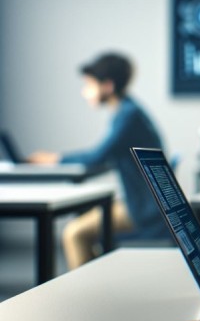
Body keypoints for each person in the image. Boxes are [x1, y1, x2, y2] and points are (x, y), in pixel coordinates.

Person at [28, 52, 171, 269]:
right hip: (145, 201)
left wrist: (54, 158)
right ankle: (97, 281)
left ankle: (88, 294)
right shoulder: (128, 111)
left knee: (74, 233)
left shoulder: (127, 115)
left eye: (89, 85)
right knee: (85, 218)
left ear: (107, 86)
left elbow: (98, 156)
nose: (84, 92)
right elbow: (105, 156)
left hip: (143, 208)